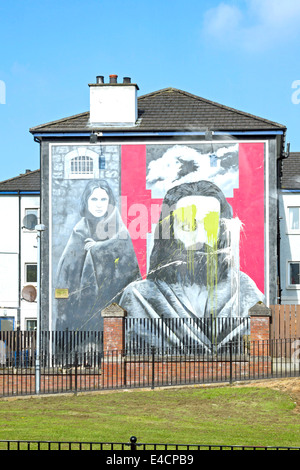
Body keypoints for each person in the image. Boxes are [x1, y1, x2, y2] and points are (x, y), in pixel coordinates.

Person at [119, 180, 264, 353]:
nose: (200, 238)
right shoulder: (139, 296)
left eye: (210, 225)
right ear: (169, 232)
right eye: (188, 226)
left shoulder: (244, 290)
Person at [55, 179, 141, 331]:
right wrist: (62, 307)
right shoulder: (79, 232)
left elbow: (131, 271)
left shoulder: (120, 232)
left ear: (110, 202)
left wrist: (99, 249)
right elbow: (65, 274)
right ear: (86, 201)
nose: (99, 204)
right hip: (82, 313)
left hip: (116, 308)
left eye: (103, 199)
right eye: (94, 199)